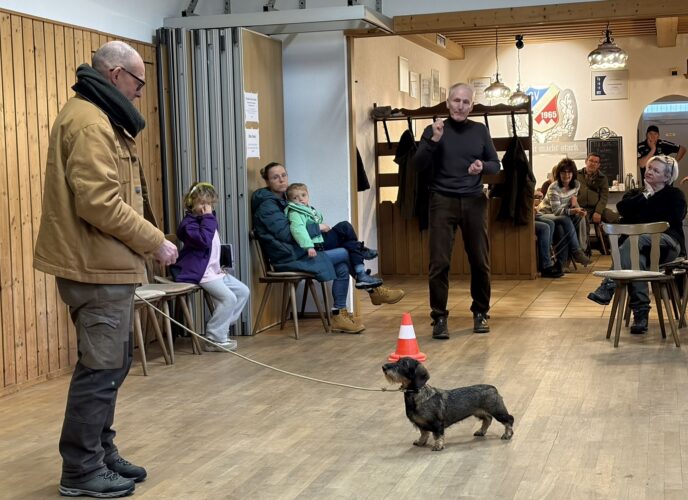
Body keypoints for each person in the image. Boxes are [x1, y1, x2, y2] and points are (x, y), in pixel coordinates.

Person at [33, 41, 179, 498]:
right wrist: (155, 241)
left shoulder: (97, 114)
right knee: (100, 370)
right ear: (116, 74)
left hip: (105, 264)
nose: (140, 92)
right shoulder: (90, 122)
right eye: (138, 81)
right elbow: (100, 203)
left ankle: (100, 452)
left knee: (113, 364)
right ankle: (81, 470)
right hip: (93, 267)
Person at [252, 162, 404, 334]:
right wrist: (318, 228)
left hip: (301, 249)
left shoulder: (286, 200)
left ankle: (341, 315)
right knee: (345, 252)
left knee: (343, 260)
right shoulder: (267, 206)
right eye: (275, 177)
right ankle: (371, 289)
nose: (281, 179)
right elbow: (287, 234)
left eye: (283, 175)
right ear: (267, 181)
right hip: (290, 256)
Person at [413, 82, 499, 339]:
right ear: (448, 102)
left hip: (474, 200)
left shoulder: (480, 130)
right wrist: (433, 141)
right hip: (442, 200)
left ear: (472, 106)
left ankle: (481, 312)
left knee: (480, 260)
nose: (460, 106)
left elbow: (495, 164)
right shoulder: (434, 130)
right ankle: (439, 317)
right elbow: (417, 165)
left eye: (465, 102)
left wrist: (482, 166)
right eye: (456, 101)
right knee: (439, 262)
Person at [588, 155, 686, 333]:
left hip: (667, 245)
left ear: (667, 177)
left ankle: (609, 283)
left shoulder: (675, 195)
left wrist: (642, 217)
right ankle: (641, 315)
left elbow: (671, 220)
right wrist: (646, 195)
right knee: (635, 258)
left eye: (656, 170)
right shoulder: (635, 194)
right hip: (637, 248)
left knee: (635, 239)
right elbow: (623, 210)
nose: (649, 172)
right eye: (649, 168)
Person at [171, 182, 250, 352]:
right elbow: (203, 241)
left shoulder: (207, 220)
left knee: (243, 291)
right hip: (201, 273)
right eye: (202, 203)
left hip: (214, 271)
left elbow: (213, 248)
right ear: (191, 203)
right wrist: (208, 218)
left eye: (209, 203)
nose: (206, 207)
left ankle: (221, 326)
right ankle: (214, 338)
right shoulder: (188, 224)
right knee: (229, 299)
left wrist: (220, 264)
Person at [284, 182, 382, 288]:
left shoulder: (309, 210)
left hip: (321, 240)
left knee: (348, 242)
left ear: (308, 195)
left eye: (303, 195)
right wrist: (308, 246)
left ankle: (361, 272)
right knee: (344, 226)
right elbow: (298, 231)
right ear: (290, 201)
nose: (300, 199)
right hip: (317, 245)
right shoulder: (295, 213)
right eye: (295, 198)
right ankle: (360, 250)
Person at [536, 158, 591, 267]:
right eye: (563, 172)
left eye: (569, 172)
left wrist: (578, 209)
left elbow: (571, 201)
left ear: (573, 173)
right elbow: (557, 211)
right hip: (545, 213)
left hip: (561, 214)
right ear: (559, 174)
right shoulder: (554, 187)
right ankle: (576, 252)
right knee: (564, 219)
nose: (566, 175)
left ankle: (563, 263)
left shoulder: (576, 185)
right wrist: (574, 210)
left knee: (577, 219)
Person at [577, 152, 619, 224]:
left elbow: (604, 197)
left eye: (596, 162)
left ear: (598, 165)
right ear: (586, 161)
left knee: (613, 217)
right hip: (580, 208)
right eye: (591, 161)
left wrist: (598, 212)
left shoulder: (602, 178)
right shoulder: (576, 175)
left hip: (595, 208)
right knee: (582, 221)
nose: (593, 164)